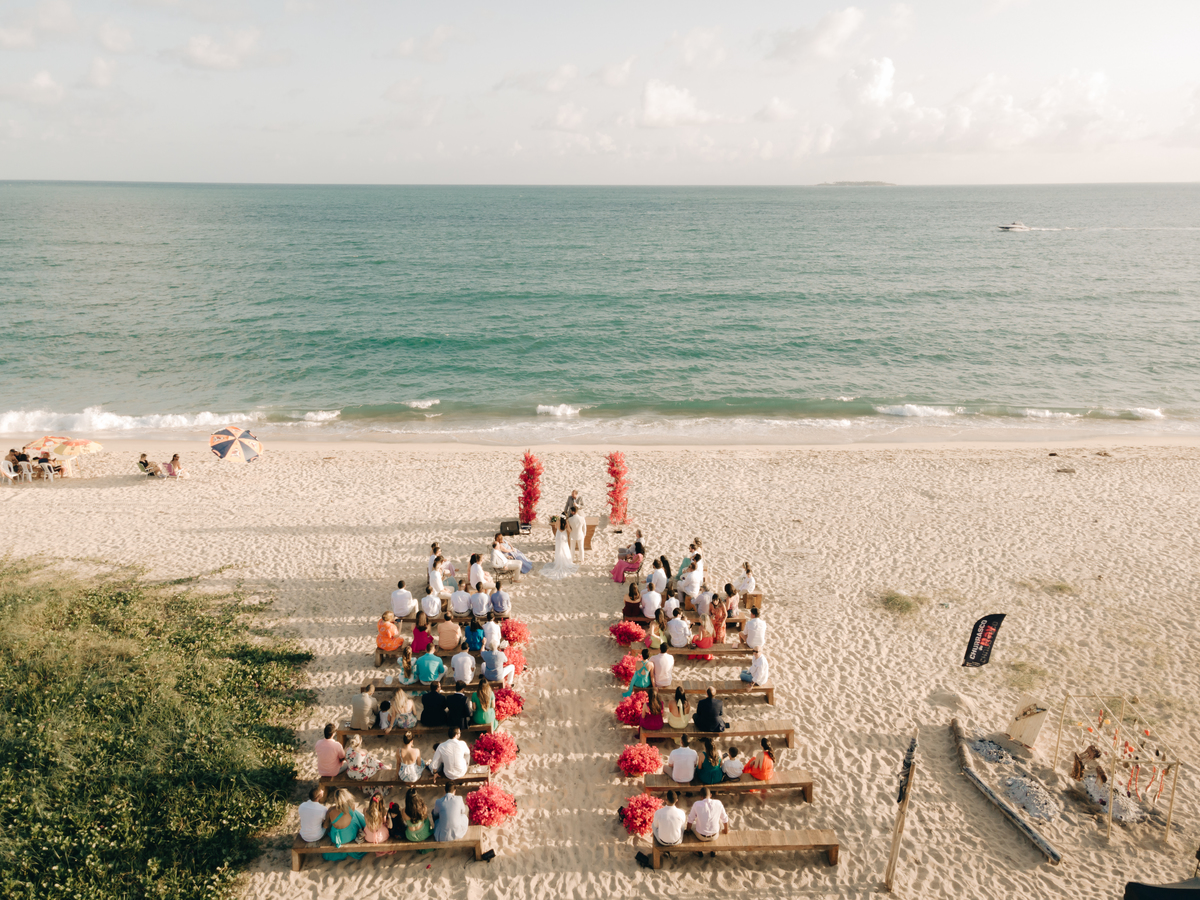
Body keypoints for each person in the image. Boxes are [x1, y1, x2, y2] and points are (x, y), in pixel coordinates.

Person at [322, 789, 366, 861]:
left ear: (336, 799)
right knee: (355, 814)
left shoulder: (330, 810)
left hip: (337, 839)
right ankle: (365, 823)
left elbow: (325, 826)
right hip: (351, 835)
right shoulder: (352, 806)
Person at [541, 515, 580, 579]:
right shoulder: (566, 521)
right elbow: (569, 530)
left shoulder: (557, 520)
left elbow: (556, 527)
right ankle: (565, 560)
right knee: (564, 548)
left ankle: (558, 561)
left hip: (558, 535)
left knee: (559, 548)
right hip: (564, 536)